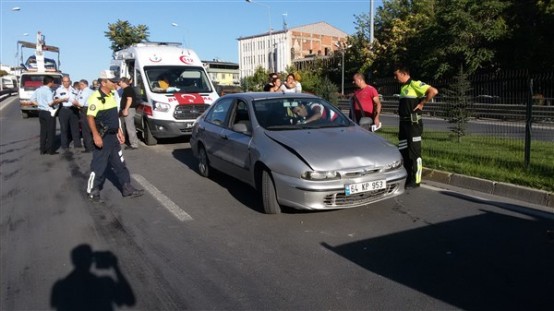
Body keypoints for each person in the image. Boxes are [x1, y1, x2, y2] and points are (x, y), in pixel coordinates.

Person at [86, 70, 144, 202]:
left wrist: (119, 131)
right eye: (112, 81)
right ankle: (93, 191)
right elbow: (90, 117)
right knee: (99, 166)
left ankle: (127, 188)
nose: (115, 83)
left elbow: (114, 116)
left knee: (120, 164)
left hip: (113, 137)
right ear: (103, 82)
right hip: (102, 137)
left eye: (115, 81)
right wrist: (96, 135)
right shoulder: (95, 97)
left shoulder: (112, 95)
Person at [393, 66, 438, 189]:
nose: (395, 78)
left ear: (404, 73)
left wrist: (422, 103)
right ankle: (407, 177)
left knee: (414, 153)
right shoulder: (403, 87)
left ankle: (416, 180)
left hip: (413, 125)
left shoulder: (414, 84)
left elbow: (433, 91)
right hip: (403, 125)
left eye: (396, 75)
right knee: (404, 152)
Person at [30, 76, 63, 155]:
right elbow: (50, 103)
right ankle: (50, 150)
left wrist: (40, 105)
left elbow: (32, 100)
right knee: (51, 132)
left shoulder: (38, 90)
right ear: (50, 82)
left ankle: (42, 149)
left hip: (41, 112)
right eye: (53, 82)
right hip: (49, 112)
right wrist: (59, 100)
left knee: (43, 131)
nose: (53, 83)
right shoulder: (48, 91)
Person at [55, 76, 81, 152]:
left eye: (67, 81)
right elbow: (56, 100)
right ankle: (64, 145)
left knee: (75, 128)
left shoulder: (74, 90)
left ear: (70, 82)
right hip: (64, 110)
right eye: (64, 81)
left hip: (73, 109)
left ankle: (77, 144)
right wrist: (62, 99)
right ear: (62, 82)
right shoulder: (59, 90)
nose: (66, 83)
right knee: (64, 128)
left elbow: (78, 98)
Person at [118, 77, 140, 150]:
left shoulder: (128, 89)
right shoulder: (126, 89)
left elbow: (129, 100)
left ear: (124, 82)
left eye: (120, 82)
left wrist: (126, 109)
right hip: (127, 109)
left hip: (129, 110)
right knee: (129, 127)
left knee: (130, 127)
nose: (119, 84)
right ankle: (131, 141)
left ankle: (134, 144)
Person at [76, 79, 94, 152]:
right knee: (91, 128)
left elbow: (81, 104)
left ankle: (88, 148)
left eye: (80, 85)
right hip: (91, 110)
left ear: (83, 85)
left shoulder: (84, 92)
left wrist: (74, 102)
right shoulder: (92, 91)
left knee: (85, 130)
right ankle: (92, 145)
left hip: (85, 110)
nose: (79, 87)